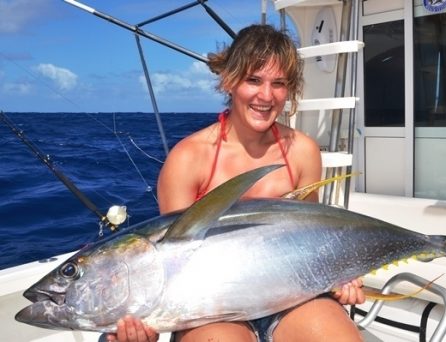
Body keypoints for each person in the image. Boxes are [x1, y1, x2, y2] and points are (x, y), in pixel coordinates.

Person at [107, 24, 365, 342]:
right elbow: (175, 268)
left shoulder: (302, 152)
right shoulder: (188, 158)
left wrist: (339, 276)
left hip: (291, 296)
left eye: (279, 84)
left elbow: (311, 239)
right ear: (229, 81)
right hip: (208, 306)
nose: (266, 96)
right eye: (253, 80)